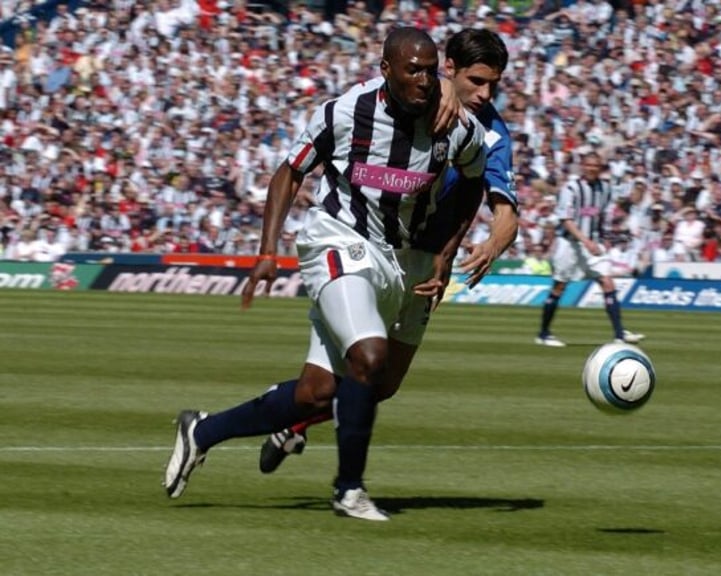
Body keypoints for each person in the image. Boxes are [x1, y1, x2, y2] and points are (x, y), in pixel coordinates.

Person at [162, 27, 487, 522]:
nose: (423, 79)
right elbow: (289, 171)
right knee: (369, 356)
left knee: (326, 391)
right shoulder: (345, 112)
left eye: (430, 70)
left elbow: (472, 181)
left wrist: (447, 252)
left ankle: (201, 431)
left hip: (407, 261)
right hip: (339, 242)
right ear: (386, 71)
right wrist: (267, 250)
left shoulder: (457, 128)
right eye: (412, 70)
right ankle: (349, 490)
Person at [257, 28, 517, 477]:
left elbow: (504, 210)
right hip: (367, 246)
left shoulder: (489, 134)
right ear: (448, 70)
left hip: (423, 262)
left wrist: (489, 243)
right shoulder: (397, 97)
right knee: (366, 365)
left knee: (381, 385)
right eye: (476, 82)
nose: (485, 94)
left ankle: (290, 420)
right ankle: (340, 476)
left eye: (494, 84)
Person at [535, 151, 644, 347]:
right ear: (583, 166)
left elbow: (629, 198)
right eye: (589, 165)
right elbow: (566, 220)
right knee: (559, 287)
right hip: (570, 245)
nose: (592, 169)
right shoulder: (572, 188)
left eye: (596, 166)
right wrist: (586, 241)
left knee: (607, 283)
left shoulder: (605, 188)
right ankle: (543, 333)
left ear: (600, 168)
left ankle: (619, 335)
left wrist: (640, 181)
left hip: (592, 244)